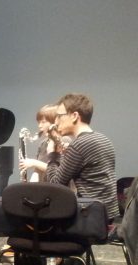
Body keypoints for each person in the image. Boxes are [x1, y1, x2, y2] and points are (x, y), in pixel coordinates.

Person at [46, 93, 118, 222]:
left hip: (90, 217)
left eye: (59, 116)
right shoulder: (103, 139)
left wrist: (52, 154)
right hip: (107, 214)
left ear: (74, 116)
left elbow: (55, 185)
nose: (56, 122)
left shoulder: (79, 145)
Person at [19, 104, 71, 182]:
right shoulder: (43, 144)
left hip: (59, 189)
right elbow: (37, 171)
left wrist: (34, 162)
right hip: (44, 187)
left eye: (43, 122)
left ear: (54, 122)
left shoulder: (64, 140)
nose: (40, 126)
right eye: (39, 122)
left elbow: (61, 171)